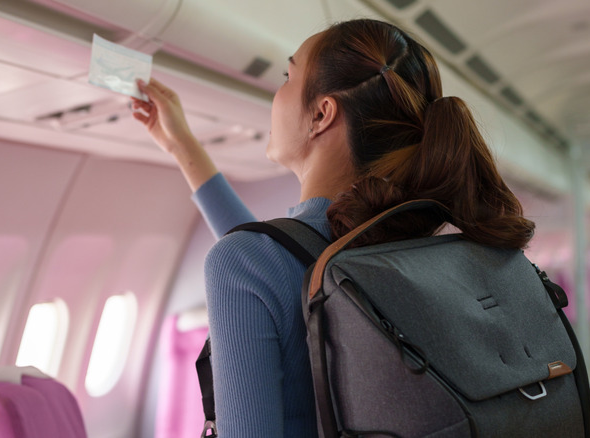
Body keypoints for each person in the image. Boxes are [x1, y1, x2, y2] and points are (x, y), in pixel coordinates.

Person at [132, 18, 535, 437]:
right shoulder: (411, 240)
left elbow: (264, 265)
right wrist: (182, 145)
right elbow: (275, 255)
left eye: (287, 76)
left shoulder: (249, 263)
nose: (278, 92)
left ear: (322, 113)